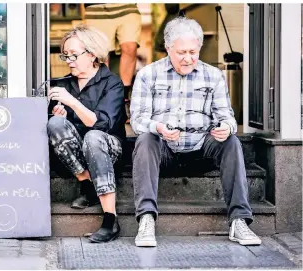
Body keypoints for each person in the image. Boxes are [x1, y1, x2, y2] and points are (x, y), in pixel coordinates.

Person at [130, 17, 262, 247]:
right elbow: (138, 119)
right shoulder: (148, 75)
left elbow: (226, 115)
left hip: (202, 149)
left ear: (199, 48)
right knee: (145, 139)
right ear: (168, 48)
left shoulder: (213, 75)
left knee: (231, 142)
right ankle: (146, 218)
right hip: (164, 152)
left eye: (193, 51)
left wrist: (225, 127)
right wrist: (158, 128)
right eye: (182, 52)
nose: (188, 58)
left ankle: (239, 220)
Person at [46, 25, 126, 243]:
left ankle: (111, 219)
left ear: (92, 54)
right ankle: (87, 181)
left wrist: (72, 102)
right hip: (77, 158)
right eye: (66, 55)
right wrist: (59, 114)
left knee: (93, 136)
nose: (69, 60)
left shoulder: (112, 84)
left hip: (107, 149)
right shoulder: (63, 84)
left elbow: (100, 124)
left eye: (74, 55)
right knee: (55, 123)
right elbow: (56, 129)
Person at [83, 3, 142, 122]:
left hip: (126, 6)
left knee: (130, 47)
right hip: (96, 8)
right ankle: (105, 98)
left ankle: (123, 98)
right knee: (101, 54)